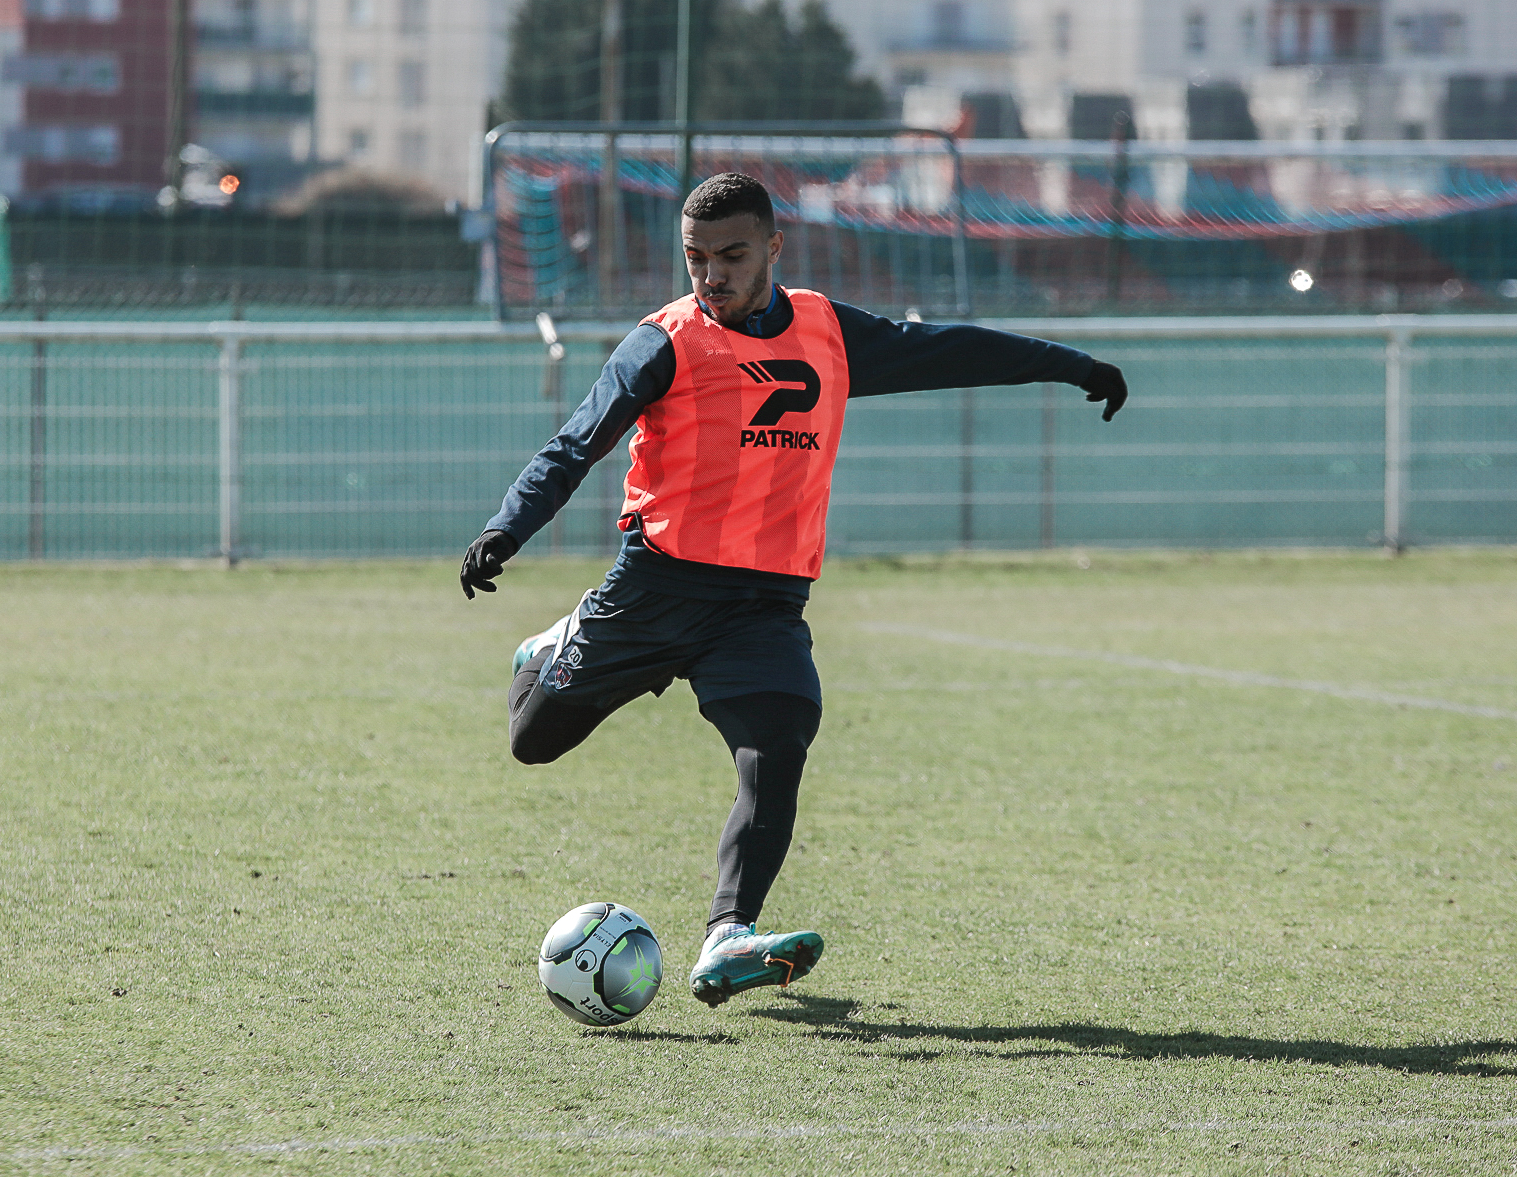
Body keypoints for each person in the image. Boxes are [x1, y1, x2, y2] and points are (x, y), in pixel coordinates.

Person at [461, 173, 1126, 1007]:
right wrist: (506, 528)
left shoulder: (827, 333)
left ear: (774, 248)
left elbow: (951, 349)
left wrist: (1070, 366)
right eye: (696, 257)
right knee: (534, 742)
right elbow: (573, 446)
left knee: (776, 748)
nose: (712, 275)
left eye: (732, 255)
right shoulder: (663, 343)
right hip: (656, 589)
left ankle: (727, 935)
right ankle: (552, 645)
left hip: (766, 605)